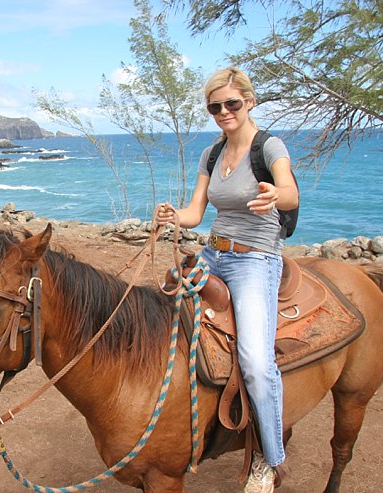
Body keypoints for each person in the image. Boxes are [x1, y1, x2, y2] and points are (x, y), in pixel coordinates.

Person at [155, 67, 298, 493]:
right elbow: (195, 214)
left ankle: (270, 460)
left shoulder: (269, 146)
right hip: (214, 252)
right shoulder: (211, 154)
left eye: (232, 103)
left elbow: (289, 191)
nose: (223, 112)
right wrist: (172, 216)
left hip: (256, 260)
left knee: (256, 362)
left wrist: (276, 194)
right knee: (160, 311)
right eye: (215, 106)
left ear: (249, 102)